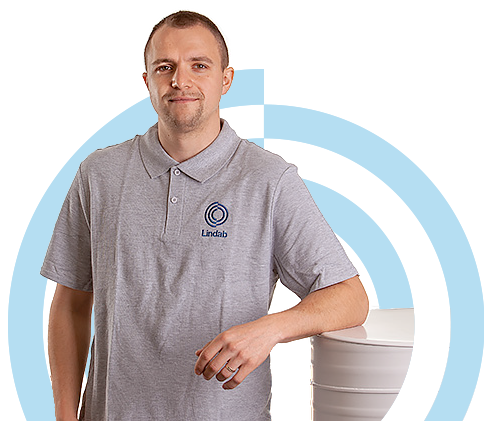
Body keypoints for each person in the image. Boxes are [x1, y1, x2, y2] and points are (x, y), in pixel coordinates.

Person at [41, 8, 369, 421]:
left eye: (199, 65)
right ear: (146, 79)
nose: (180, 81)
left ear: (226, 79)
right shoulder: (99, 174)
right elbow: (71, 303)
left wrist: (268, 330)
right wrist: (65, 415)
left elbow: (349, 298)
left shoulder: (270, 180)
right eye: (165, 67)